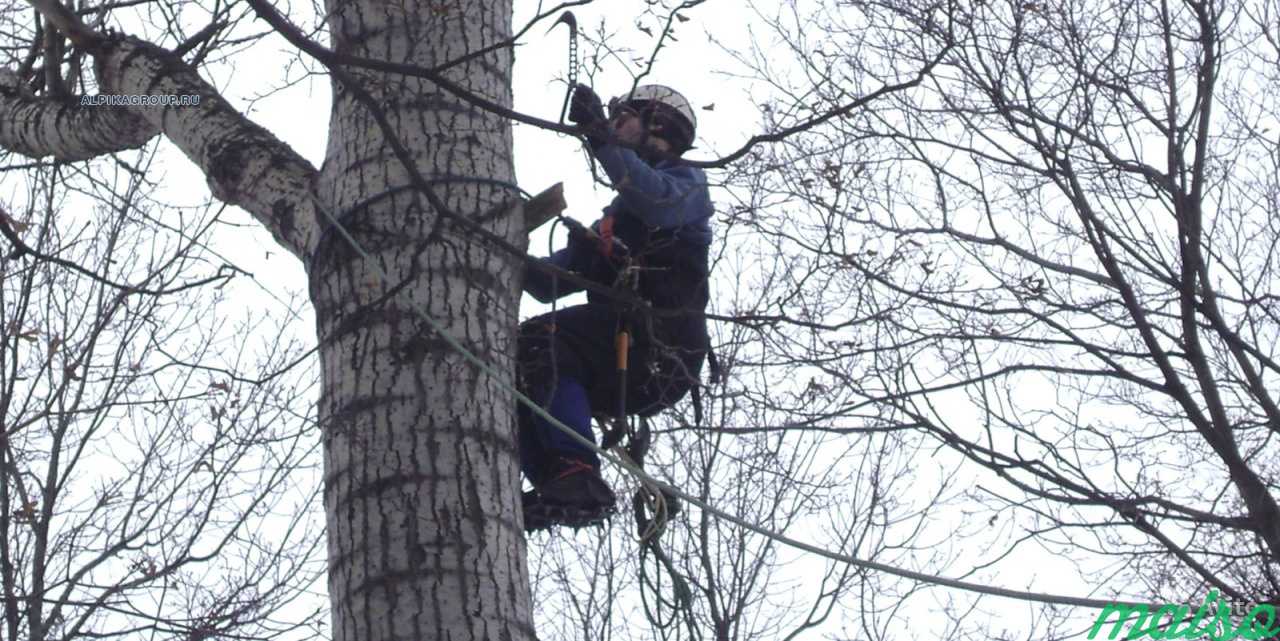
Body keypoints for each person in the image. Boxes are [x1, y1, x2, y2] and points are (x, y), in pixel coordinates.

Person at [518, 84, 714, 530]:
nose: (614, 126)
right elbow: (548, 282)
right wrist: (505, 249)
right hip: (617, 354)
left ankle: (576, 472)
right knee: (520, 361)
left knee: (543, 339)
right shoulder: (613, 224)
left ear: (657, 125)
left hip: (663, 347)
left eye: (622, 118)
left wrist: (598, 136)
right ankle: (557, 482)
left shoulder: (687, 185)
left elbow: (655, 201)